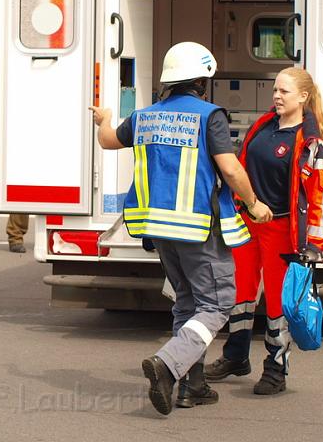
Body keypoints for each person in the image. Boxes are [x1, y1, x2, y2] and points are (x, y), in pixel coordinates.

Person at [89, 42, 272, 416]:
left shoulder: (144, 116)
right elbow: (231, 169)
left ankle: (193, 385)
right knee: (217, 304)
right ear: (203, 80)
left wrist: (104, 119)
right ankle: (168, 364)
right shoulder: (209, 116)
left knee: (187, 303)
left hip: (159, 230)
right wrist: (254, 204)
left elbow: (108, 141)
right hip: (198, 228)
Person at [205, 66, 323, 395]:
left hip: (281, 229)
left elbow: (319, 197)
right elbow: (241, 168)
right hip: (247, 223)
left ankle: (276, 369)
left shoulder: (311, 142)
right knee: (240, 292)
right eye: (275, 90)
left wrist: (313, 244)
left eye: (284, 92)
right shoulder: (264, 126)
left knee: (277, 303)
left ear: (303, 97)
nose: (276, 96)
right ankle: (235, 356)